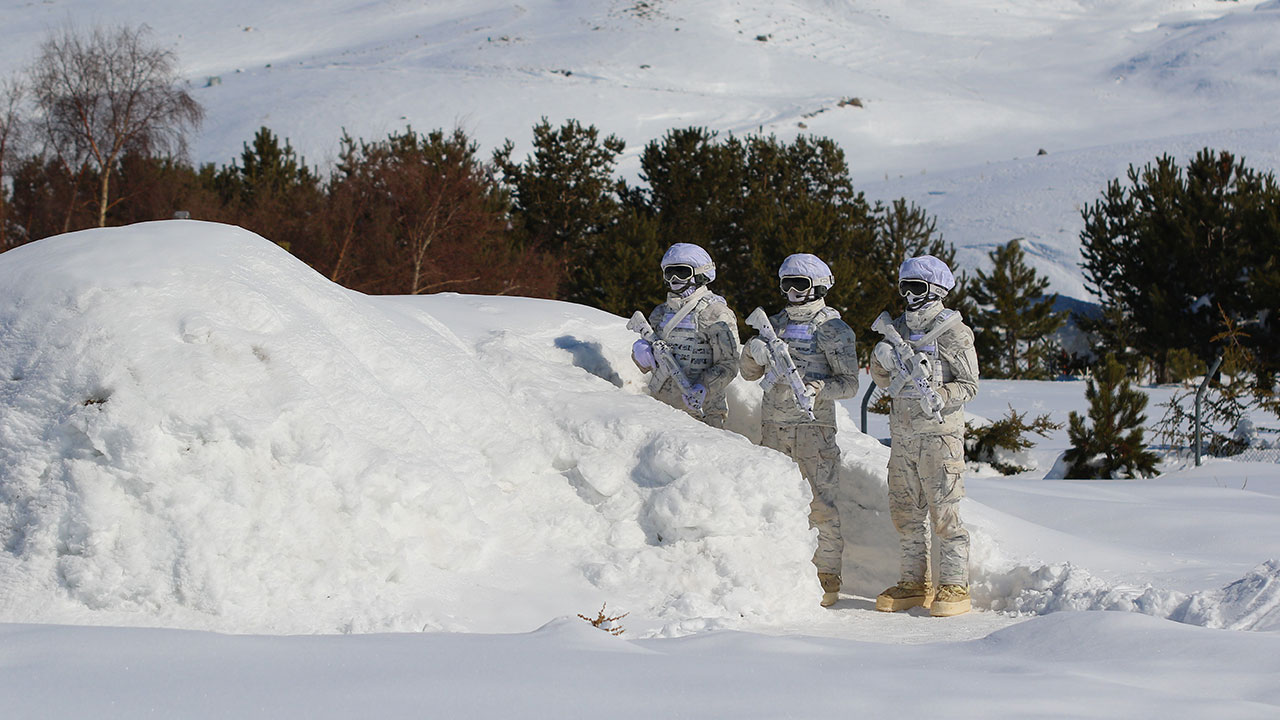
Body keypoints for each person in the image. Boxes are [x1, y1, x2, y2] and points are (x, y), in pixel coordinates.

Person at [739, 254, 859, 607]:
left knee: (821, 504)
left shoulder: (833, 329)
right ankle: (780, 570)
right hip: (774, 426)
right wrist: (753, 352)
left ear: (819, 286)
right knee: (775, 500)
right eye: (785, 283)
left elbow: (850, 383)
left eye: (800, 284)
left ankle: (827, 576)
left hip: (813, 429)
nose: (791, 291)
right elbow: (748, 375)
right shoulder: (772, 324)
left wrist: (820, 388)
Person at [869, 255, 979, 617]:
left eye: (916, 287)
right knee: (905, 512)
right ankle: (914, 583)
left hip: (939, 437)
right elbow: (882, 381)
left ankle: (953, 583)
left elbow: (969, 384)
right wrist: (882, 363)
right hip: (902, 438)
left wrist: (941, 395)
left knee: (944, 511)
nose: (908, 295)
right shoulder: (896, 328)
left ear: (935, 290)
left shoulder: (953, 331)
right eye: (904, 287)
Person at [631, 243, 741, 428]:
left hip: (701, 412)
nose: (674, 279)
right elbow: (648, 362)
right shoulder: (661, 313)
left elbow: (729, 364)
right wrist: (640, 352)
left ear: (699, 274)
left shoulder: (715, 313)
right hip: (661, 409)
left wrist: (704, 387)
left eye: (681, 272)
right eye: (669, 273)